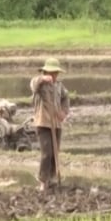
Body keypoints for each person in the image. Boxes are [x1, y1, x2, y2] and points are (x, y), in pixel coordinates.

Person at [29, 58, 71, 191]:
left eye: (55, 73)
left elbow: (65, 97)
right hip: (43, 123)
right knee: (46, 153)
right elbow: (33, 85)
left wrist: (63, 112)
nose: (53, 76)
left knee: (55, 153)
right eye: (51, 73)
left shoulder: (59, 85)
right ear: (45, 72)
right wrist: (42, 79)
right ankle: (43, 180)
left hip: (56, 124)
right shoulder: (40, 85)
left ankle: (52, 178)